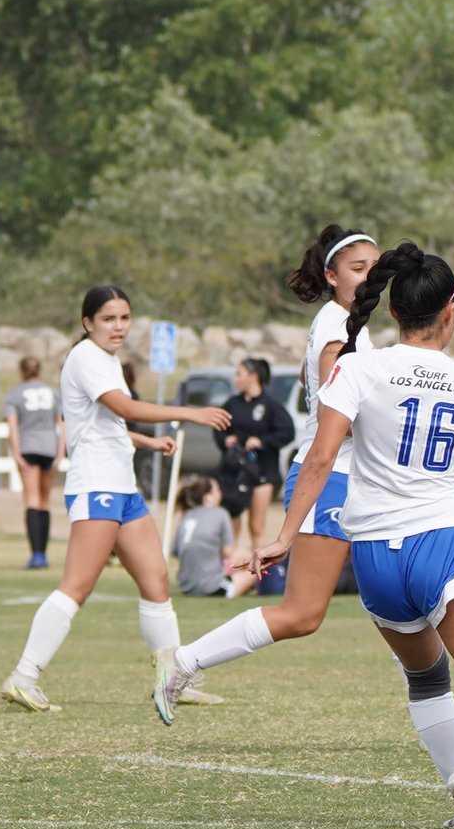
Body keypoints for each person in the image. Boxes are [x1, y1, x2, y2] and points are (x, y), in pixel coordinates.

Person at [155, 244, 454, 829]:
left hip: (375, 556)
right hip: (441, 542)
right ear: (451, 309)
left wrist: (283, 536)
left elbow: (321, 456)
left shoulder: (358, 366)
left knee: (428, 680)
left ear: (394, 308)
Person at [151, 227, 378, 686]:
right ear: (331, 276)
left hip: (355, 477)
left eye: (376, 268)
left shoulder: (344, 324)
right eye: (358, 269)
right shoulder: (338, 330)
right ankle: (185, 660)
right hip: (329, 476)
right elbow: (341, 417)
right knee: (301, 615)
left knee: (404, 602)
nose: (370, 277)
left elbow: (306, 378)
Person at [0, 286, 230, 713]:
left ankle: (173, 678)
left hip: (121, 487)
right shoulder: (87, 356)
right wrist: (189, 412)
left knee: (156, 581)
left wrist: (147, 441)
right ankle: (23, 677)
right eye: (109, 318)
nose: (118, 326)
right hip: (96, 486)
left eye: (124, 318)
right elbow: (122, 407)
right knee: (77, 588)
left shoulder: (104, 360)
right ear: (88, 322)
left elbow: (102, 423)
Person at [217, 356, 293, 555]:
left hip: (262, 472)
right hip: (235, 472)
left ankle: (258, 573)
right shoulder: (232, 404)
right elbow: (218, 428)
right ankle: (230, 571)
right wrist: (226, 440)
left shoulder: (271, 406)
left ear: (253, 376)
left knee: (256, 525)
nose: (236, 379)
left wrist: (262, 442)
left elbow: (287, 431)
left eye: (239, 374)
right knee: (232, 519)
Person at [3, 354, 59, 569]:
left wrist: (16, 454)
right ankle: (43, 553)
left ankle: (36, 554)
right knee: (45, 501)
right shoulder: (53, 393)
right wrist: (59, 453)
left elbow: (13, 427)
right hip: (49, 448)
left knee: (32, 500)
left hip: (28, 447)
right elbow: (62, 425)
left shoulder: (15, 394)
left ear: (22, 371)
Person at [173, 476, 235, 597]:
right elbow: (228, 552)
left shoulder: (187, 515)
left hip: (186, 587)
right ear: (208, 498)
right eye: (217, 490)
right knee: (246, 561)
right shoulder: (221, 513)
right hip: (212, 587)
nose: (220, 493)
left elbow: (175, 551)